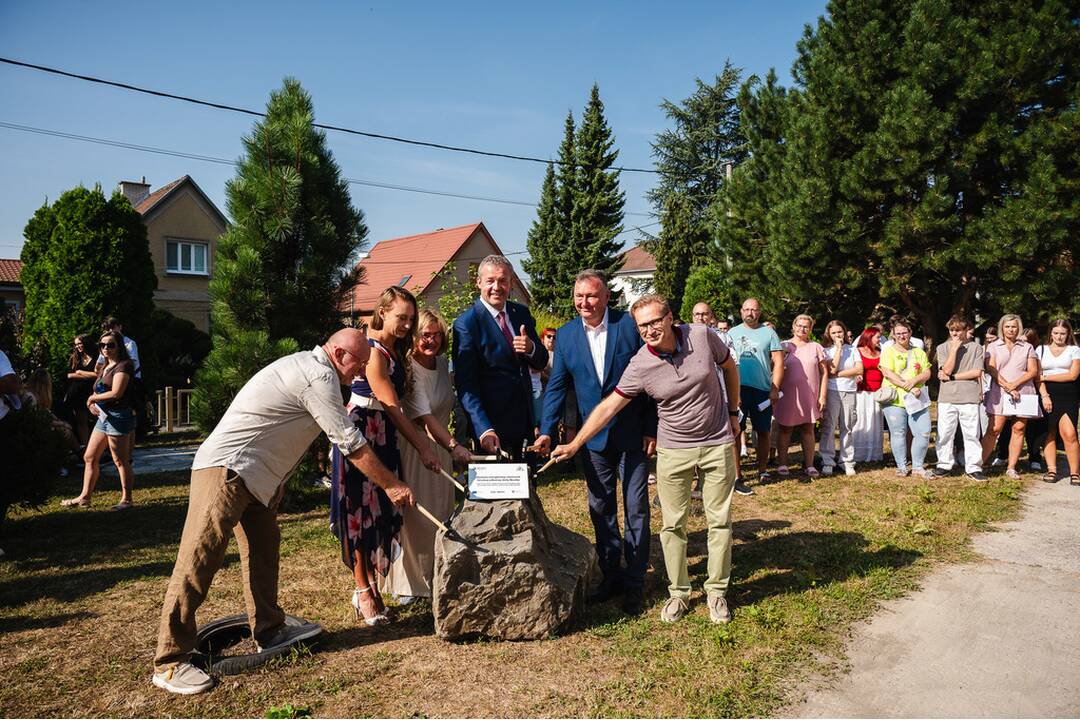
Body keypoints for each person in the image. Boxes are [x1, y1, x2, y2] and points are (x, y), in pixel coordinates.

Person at [152, 328, 413, 695]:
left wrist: (278, 481)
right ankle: (169, 660)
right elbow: (349, 443)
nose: (361, 373)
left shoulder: (318, 373)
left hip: (254, 478)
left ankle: (270, 629)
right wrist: (392, 485)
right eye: (358, 364)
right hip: (227, 471)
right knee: (200, 557)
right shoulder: (318, 375)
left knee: (264, 549)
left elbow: (283, 430)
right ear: (339, 353)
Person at [551, 294, 741, 625]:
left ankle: (716, 592)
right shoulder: (640, 364)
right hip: (673, 450)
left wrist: (734, 411)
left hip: (716, 443)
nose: (649, 330)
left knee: (719, 522)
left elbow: (729, 367)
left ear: (670, 318)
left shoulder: (701, 335)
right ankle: (679, 593)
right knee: (672, 525)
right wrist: (575, 443)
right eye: (642, 326)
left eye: (655, 322)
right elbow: (610, 406)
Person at [535, 270, 657, 616]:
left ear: (606, 297)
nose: (584, 303)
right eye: (579, 296)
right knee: (601, 508)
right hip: (594, 440)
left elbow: (649, 381)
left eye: (591, 296)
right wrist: (547, 429)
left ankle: (634, 582)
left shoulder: (628, 327)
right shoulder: (568, 336)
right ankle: (611, 574)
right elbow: (557, 385)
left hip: (632, 435)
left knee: (636, 509)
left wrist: (651, 428)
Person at [333, 287, 443, 624]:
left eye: (411, 319)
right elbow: (394, 407)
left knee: (380, 513)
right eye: (401, 318)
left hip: (384, 433)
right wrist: (423, 447)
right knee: (360, 514)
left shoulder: (396, 348)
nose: (407, 325)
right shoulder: (374, 351)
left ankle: (374, 591)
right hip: (364, 431)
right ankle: (363, 589)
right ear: (382, 311)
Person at [381, 307, 472, 604]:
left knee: (441, 515)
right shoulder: (409, 368)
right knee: (417, 519)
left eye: (436, 335)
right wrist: (454, 447)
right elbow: (423, 416)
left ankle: (435, 576)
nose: (430, 341)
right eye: (424, 335)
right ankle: (408, 584)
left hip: (442, 450)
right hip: (417, 449)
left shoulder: (443, 363)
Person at [453, 255, 548, 459]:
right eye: (490, 281)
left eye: (503, 280)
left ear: (511, 283)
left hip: (524, 425)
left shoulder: (520, 313)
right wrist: (483, 428)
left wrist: (531, 348)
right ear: (479, 283)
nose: (497, 287)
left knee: (527, 488)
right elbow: (466, 385)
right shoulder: (467, 324)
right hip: (492, 431)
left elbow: (541, 361)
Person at [61, 330, 137, 510]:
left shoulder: (123, 366)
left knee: (120, 460)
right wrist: (91, 402)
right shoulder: (105, 366)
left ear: (119, 346)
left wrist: (92, 399)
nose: (106, 348)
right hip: (103, 417)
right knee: (89, 456)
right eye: (102, 345)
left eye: (111, 345)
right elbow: (100, 390)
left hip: (118, 417)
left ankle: (127, 499)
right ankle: (84, 497)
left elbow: (116, 393)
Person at [727, 298, 784, 492]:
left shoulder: (769, 333)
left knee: (763, 430)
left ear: (759, 312)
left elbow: (778, 361)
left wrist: (775, 388)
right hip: (738, 389)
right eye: (746, 309)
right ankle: (737, 475)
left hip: (762, 390)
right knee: (736, 430)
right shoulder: (732, 333)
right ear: (741, 311)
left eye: (754, 310)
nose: (750, 312)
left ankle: (762, 470)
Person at [980, 314, 1040, 479]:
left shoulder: (1027, 346)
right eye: (1007, 326)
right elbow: (991, 369)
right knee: (995, 428)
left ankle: (1011, 467)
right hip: (1000, 391)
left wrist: (1015, 385)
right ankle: (979, 464)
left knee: (1019, 429)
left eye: (1014, 326)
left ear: (1018, 328)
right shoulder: (993, 346)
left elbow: (1033, 371)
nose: (1011, 329)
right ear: (1002, 328)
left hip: (1023, 391)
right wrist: (1007, 386)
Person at [775, 315, 828, 478]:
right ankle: (783, 463)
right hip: (788, 393)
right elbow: (774, 367)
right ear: (793, 326)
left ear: (810, 329)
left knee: (808, 428)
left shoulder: (816, 347)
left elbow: (824, 372)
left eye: (806, 326)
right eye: (799, 325)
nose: (802, 329)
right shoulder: (783, 345)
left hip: (810, 393)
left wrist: (822, 396)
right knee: (785, 428)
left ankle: (809, 464)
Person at [878, 318, 933, 478]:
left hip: (917, 399)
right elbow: (888, 373)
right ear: (893, 336)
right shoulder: (888, 352)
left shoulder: (919, 352)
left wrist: (914, 382)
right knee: (898, 433)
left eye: (905, 332)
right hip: (895, 399)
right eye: (898, 333)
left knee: (923, 432)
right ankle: (901, 466)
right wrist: (907, 386)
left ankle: (917, 466)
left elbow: (927, 372)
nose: (902, 336)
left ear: (910, 333)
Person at [934, 316, 987, 481]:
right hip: (947, 397)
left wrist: (952, 378)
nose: (955, 333)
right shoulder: (942, 348)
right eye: (952, 330)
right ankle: (944, 464)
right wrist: (954, 350)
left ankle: (973, 467)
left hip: (969, 396)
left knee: (971, 434)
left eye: (958, 330)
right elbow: (946, 369)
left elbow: (976, 372)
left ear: (966, 330)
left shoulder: (976, 348)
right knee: (944, 433)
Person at [1037, 318, 1080, 485]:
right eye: (1056, 333)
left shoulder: (1074, 350)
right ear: (1050, 333)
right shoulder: (1040, 350)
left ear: (1068, 333)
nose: (1059, 336)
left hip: (1068, 394)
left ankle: (1075, 472)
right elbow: (1036, 376)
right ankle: (1052, 469)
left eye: (1063, 333)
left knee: (1069, 433)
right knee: (1049, 432)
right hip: (1046, 393)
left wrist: (1046, 376)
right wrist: (1044, 395)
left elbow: (1073, 375)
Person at [820, 320, 863, 476]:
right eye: (834, 333)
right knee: (829, 427)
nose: (838, 335)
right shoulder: (826, 350)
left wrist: (838, 374)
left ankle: (846, 460)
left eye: (840, 332)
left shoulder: (853, 350)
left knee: (848, 426)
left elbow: (859, 369)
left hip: (849, 391)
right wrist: (838, 349)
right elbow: (831, 368)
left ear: (844, 332)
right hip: (832, 391)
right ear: (829, 335)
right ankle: (827, 460)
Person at [852, 327, 885, 463]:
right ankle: (858, 454)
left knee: (874, 420)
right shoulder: (857, 352)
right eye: (877, 337)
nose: (879, 340)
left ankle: (874, 454)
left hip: (877, 392)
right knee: (861, 420)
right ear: (869, 337)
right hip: (862, 391)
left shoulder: (880, 352)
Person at [63, 334, 98, 447]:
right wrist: (85, 375)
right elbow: (69, 375)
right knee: (81, 422)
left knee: (98, 420)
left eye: (80, 343)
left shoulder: (97, 356)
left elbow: (98, 375)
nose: (78, 346)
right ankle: (85, 447)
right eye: (76, 344)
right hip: (77, 393)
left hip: (92, 392)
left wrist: (79, 373)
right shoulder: (76, 357)